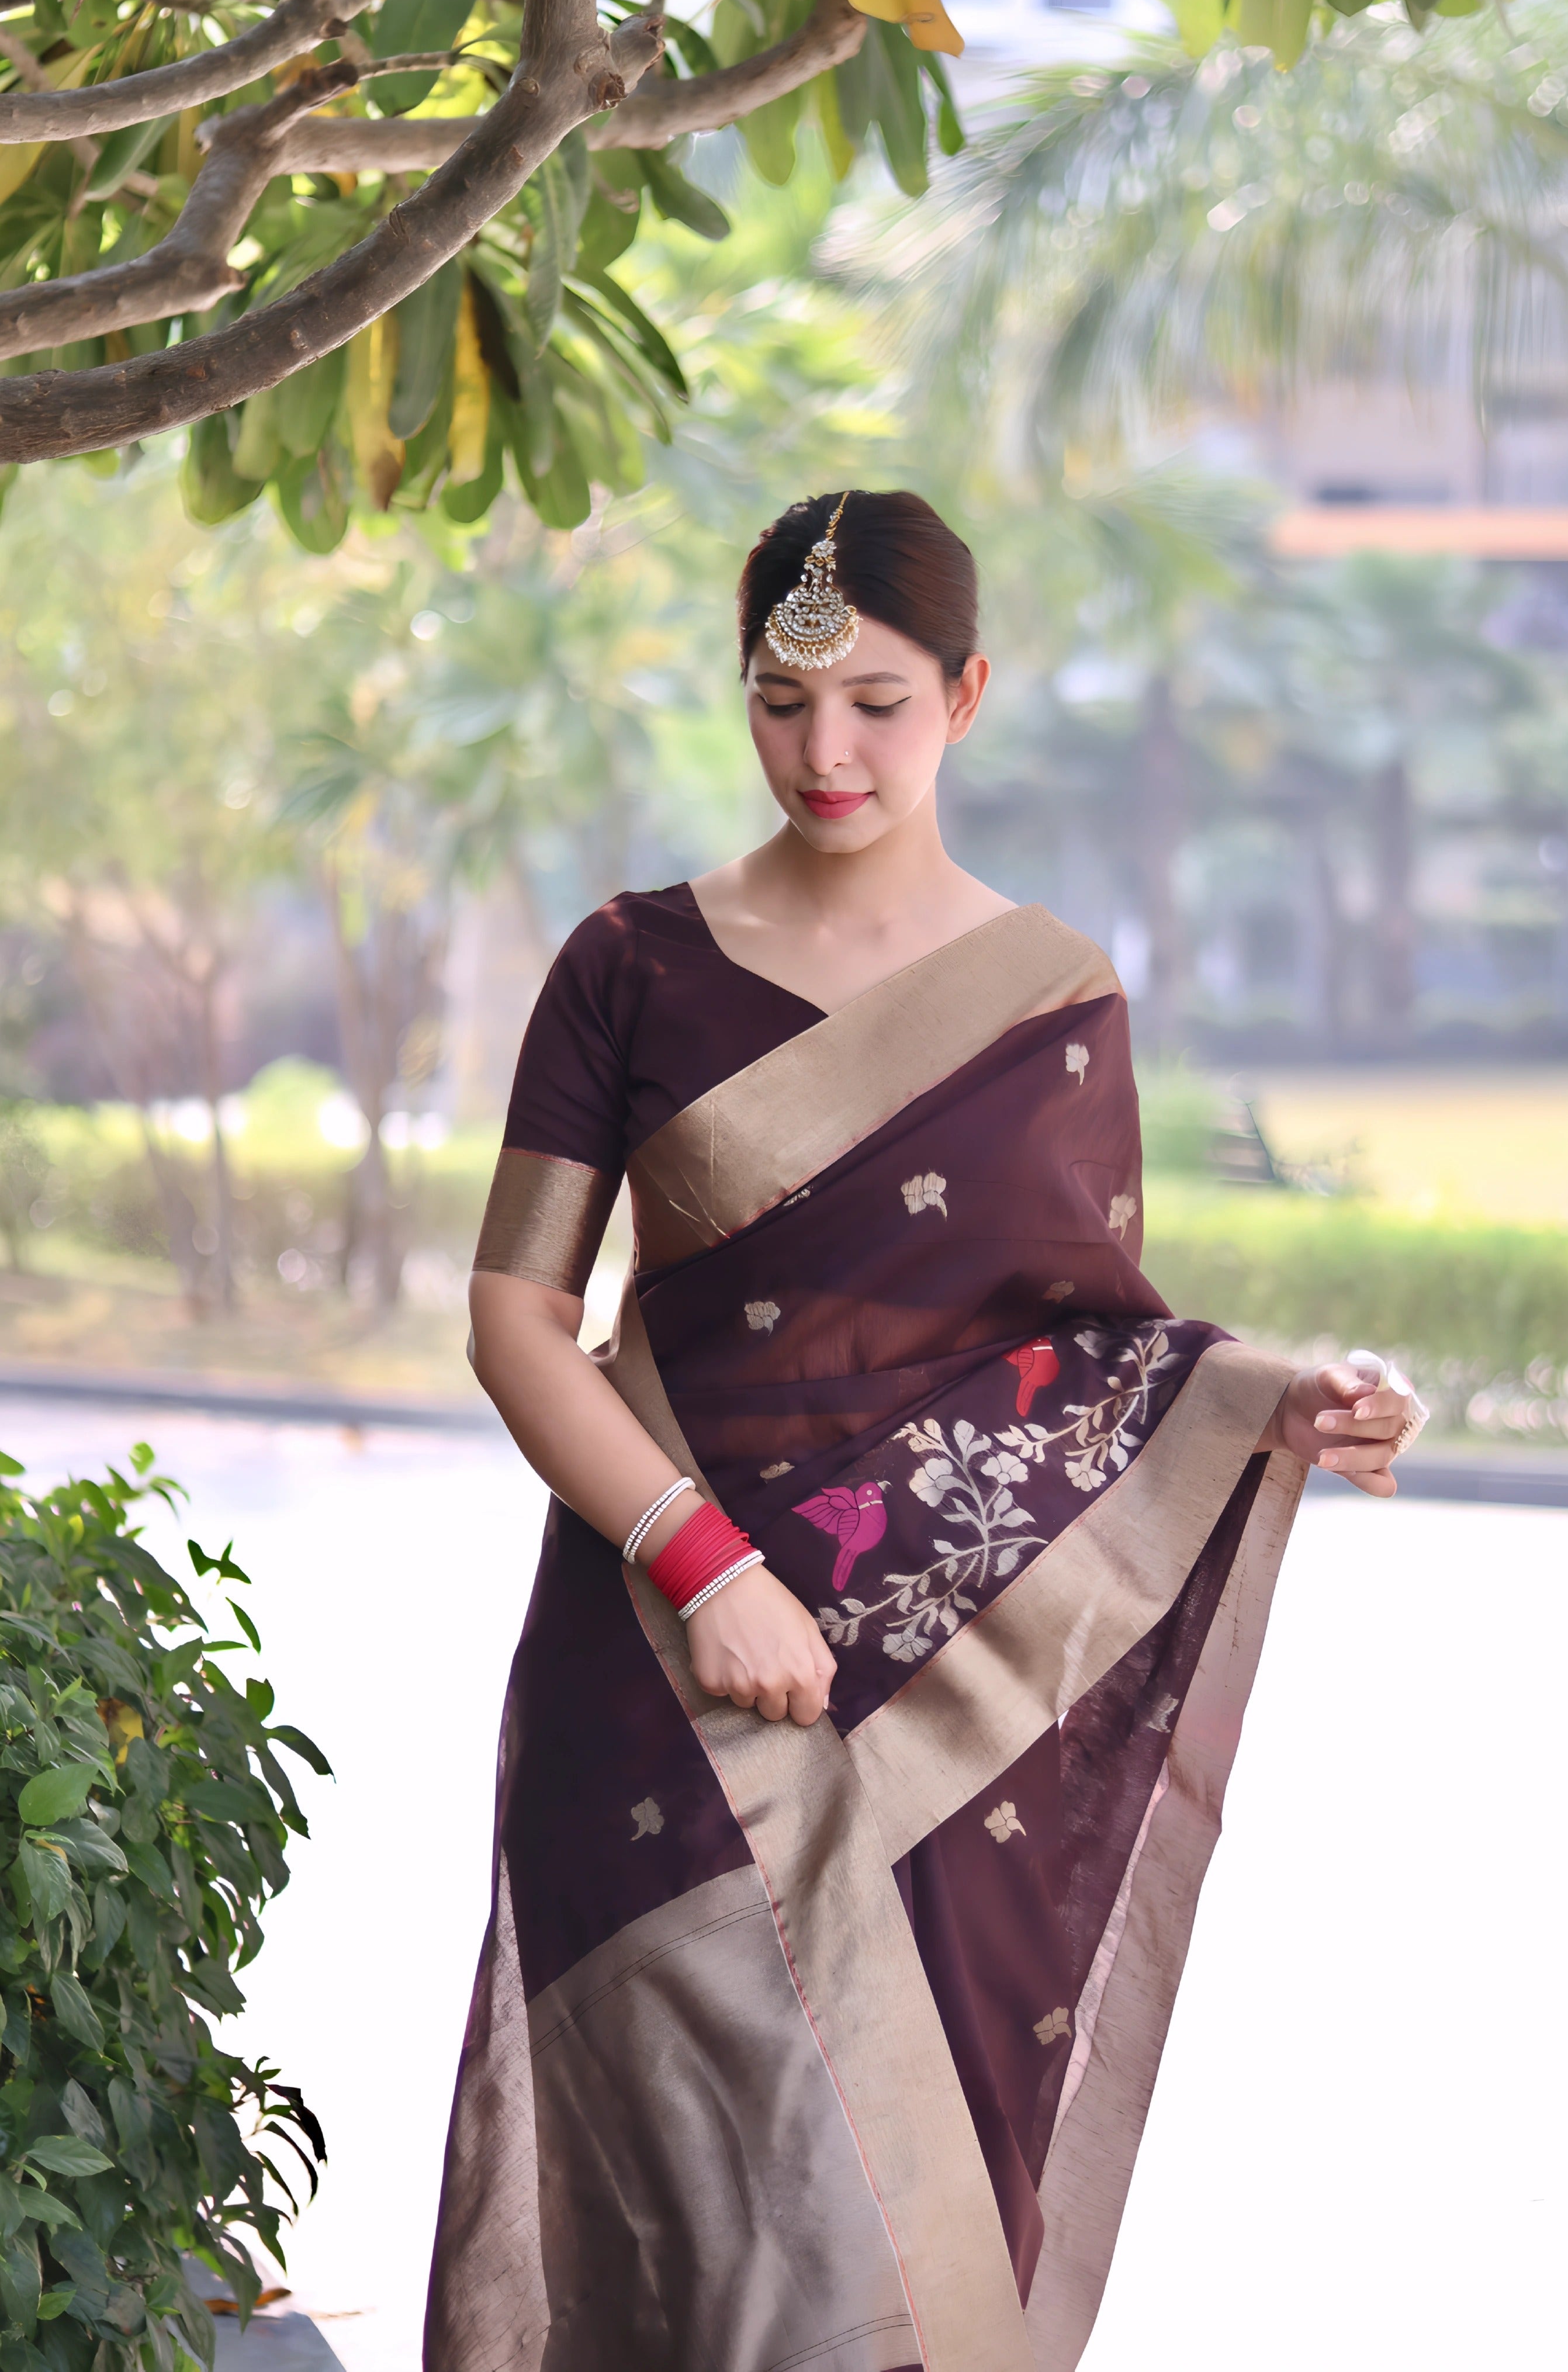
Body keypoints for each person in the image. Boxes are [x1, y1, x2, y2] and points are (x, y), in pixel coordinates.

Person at [425, 491, 1422, 2372]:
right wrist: (700, 1559)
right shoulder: (629, 965)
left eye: (877, 703)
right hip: (658, 1661)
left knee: (868, 2255)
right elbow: (514, 1317)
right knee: (693, 2239)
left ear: (967, 695)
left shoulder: (1049, 998)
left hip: (933, 1695)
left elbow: (1084, 1353)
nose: (827, 753)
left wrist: (1279, 1400)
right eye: (783, 703)